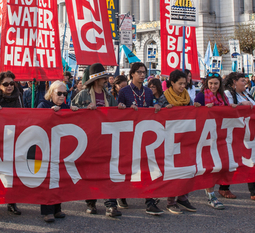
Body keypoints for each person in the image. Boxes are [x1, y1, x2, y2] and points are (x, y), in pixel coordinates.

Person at [72, 63, 121, 218]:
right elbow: (72, 111)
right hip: (89, 139)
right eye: (103, 77)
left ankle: (110, 205)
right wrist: (84, 110)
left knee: (108, 172)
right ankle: (91, 202)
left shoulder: (108, 96)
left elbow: (116, 114)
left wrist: (121, 108)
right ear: (96, 79)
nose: (106, 79)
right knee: (90, 171)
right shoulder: (83, 95)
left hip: (106, 140)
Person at [117, 62, 162, 215]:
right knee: (127, 166)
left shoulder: (148, 92)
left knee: (147, 166)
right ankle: (121, 195)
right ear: (132, 74)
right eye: (139, 72)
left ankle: (149, 201)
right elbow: (117, 112)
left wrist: (155, 108)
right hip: (128, 135)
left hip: (145, 135)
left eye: (144, 72)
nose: (142, 75)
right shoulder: (124, 91)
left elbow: (150, 110)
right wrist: (125, 109)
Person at [223, 72, 255, 201]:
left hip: (249, 131)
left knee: (247, 160)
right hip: (237, 132)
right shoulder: (228, 94)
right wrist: (240, 106)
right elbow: (227, 110)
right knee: (244, 160)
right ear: (234, 82)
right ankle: (253, 191)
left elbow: (253, 108)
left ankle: (225, 187)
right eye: (242, 81)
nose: (245, 83)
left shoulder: (246, 94)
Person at [37, 81, 77, 222]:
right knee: (48, 179)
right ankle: (47, 211)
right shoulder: (43, 105)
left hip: (61, 149)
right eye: (59, 93)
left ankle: (57, 209)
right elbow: (36, 123)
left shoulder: (66, 107)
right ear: (51, 93)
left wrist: (76, 112)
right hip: (46, 148)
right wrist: (50, 114)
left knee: (59, 179)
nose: (62, 96)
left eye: (64, 93)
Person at [160, 69, 199, 214]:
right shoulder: (165, 97)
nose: (183, 86)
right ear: (172, 83)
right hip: (170, 139)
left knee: (187, 168)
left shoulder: (187, 97)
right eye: (180, 83)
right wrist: (165, 109)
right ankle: (171, 201)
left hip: (185, 138)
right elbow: (157, 116)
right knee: (173, 170)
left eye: (185, 83)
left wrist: (196, 109)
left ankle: (183, 197)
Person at [0, 72, 22, 215]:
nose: (9, 86)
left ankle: (11, 201)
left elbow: (23, 115)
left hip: (13, 139)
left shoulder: (18, 97)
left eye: (11, 83)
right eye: (6, 84)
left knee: (11, 171)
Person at [194, 73, 228, 209]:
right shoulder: (201, 96)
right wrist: (201, 109)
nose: (213, 86)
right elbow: (195, 114)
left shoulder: (223, 97)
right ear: (206, 84)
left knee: (218, 165)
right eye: (211, 83)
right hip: (205, 136)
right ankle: (211, 195)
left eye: (216, 83)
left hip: (220, 135)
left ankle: (212, 191)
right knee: (209, 165)